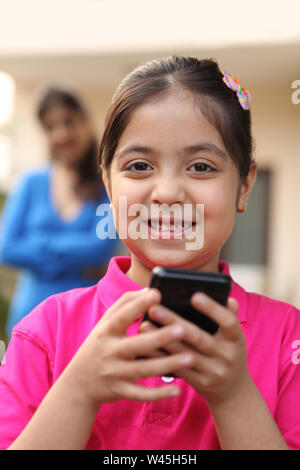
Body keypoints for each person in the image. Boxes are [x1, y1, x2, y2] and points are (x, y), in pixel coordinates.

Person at [0, 56, 299, 450]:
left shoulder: (286, 338)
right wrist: (78, 392)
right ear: (108, 184)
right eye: (139, 166)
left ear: (244, 185)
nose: (168, 193)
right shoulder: (43, 334)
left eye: (201, 167)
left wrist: (234, 397)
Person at [0, 85, 121, 337]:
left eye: (69, 122)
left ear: (85, 122)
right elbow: (6, 248)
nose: (62, 133)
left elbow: (101, 246)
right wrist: (73, 260)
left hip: (86, 324)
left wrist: (37, 246)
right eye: (50, 127)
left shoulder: (107, 185)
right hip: (29, 318)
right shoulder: (31, 183)